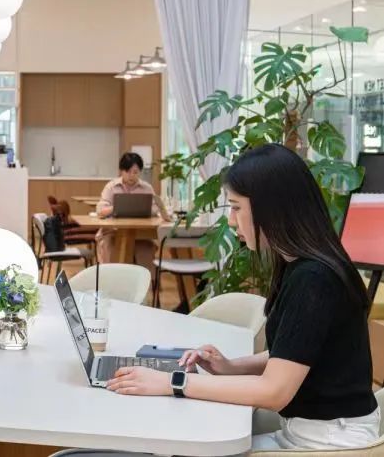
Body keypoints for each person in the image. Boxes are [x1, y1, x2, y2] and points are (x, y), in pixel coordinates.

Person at [105, 144, 379, 451]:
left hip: (328, 442)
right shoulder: (302, 265)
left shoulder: (314, 279)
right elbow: (294, 352)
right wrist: (230, 367)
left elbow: (275, 391)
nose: (232, 221)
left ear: (271, 208)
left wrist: (171, 382)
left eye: (236, 207)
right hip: (313, 429)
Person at [95, 152, 171, 269]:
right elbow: (100, 211)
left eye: (135, 172)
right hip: (113, 232)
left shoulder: (147, 188)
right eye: (128, 172)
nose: (131, 175)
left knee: (146, 250)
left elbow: (155, 210)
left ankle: (146, 280)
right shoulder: (111, 187)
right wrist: (117, 206)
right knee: (110, 248)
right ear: (121, 171)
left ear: (140, 171)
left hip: (141, 233)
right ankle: (111, 279)